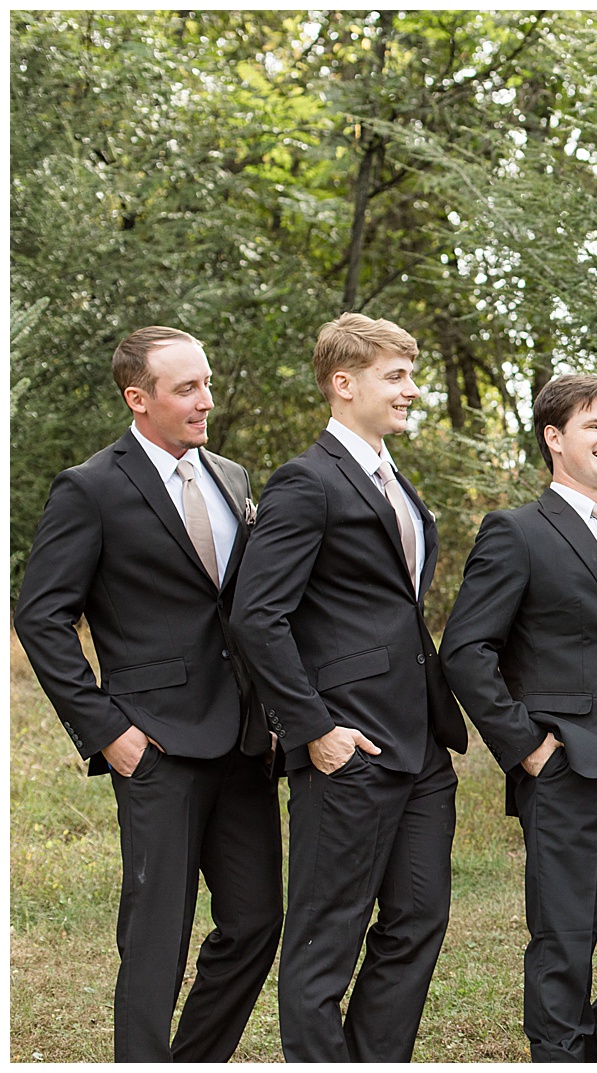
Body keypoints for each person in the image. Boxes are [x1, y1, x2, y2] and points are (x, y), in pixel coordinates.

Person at [15, 326, 280, 1061]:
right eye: (186, 388)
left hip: (244, 742)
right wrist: (107, 730)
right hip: (155, 745)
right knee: (157, 938)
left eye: (207, 382)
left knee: (257, 921)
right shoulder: (91, 487)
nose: (206, 400)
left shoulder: (232, 476)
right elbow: (40, 616)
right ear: (139, 398)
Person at [230, 312, 467, 1062]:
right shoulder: (306, 481)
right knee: (324, 940)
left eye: (410, 374)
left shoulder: (394, 479)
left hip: (421, 745)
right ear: (344, 383)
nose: (411, 390)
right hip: (348, 747)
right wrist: (312, 728)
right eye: (395, 376)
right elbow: (256, 615)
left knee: (418, 920)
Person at [441, 374, 597, 1060]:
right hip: (567, 770)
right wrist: (528, 748)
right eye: (594, 425)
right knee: (563, 942)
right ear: (555, 438)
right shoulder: (517, 531)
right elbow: (466, 649)